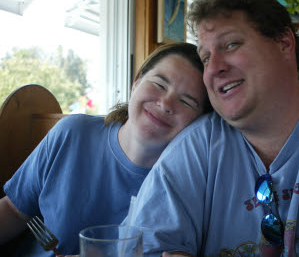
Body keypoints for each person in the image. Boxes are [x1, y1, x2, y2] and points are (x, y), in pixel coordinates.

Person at [127, 0, 299, 256]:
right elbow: (144, 247)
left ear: (284, 43)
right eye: (206, 57)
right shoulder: (196, 148)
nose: (213, 69)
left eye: (231, 45)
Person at [0, 42, 212, 256]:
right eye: (159, 84)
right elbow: (14, 211)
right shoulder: (73, 134)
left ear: (201, 121)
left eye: (186, 101)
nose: (166, 103)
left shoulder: (187, 184)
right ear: (136, 82)